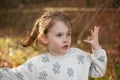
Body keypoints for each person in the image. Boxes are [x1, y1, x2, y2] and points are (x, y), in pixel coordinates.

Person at [0, 11, 107, 80]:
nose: (65, 39)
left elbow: (98, 71)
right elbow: (12, 75)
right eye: (59, 35)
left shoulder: (79, 57)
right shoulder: (37, 64)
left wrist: (97, 49)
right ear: (44, 38)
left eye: (68, 34)